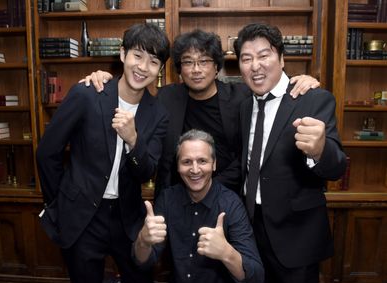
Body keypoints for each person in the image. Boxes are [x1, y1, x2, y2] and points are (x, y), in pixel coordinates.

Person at [82, 29, 320, 195]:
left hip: (226, 195)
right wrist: (102, 78)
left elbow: (246, 153)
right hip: (175, 197)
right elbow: (131, 92)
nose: (196, 70)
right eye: (188, 62)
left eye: (204, 61)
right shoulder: (165, 97)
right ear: (179, 70)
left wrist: (303, 80)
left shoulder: (242, 97)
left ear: (217, 67)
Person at [36, 23, 170, 283]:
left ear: (160, 70)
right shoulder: (88, 93)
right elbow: (47, 152)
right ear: (122, 54)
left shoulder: (158, 113)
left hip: (127, 218)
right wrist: (59, 203)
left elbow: (147, 170)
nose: (143, 67)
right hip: (82, 217)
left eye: (154, 61)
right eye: (137, 55)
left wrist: (134, 140)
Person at [234, 23, 347, 283]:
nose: (255, 65)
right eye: (246, 59)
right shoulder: (244, 104)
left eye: (264, 55)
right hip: (253, 228)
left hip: (297, 234)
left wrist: (319, 150)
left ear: (282, 59)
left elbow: (337, 167)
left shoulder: (314, 99)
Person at [133, 129, 265, 283]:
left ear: (214, 164)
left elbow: (256, 280)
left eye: (202, 161)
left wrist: (227, 253)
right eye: (187, 162)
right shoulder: (167, 199)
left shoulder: (231, 204)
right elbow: (142, 263)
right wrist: (143, 241)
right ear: (178, 166)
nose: (195, 170)